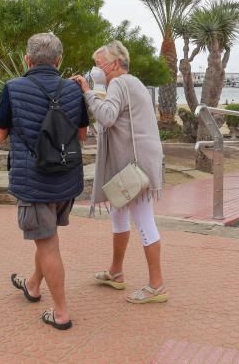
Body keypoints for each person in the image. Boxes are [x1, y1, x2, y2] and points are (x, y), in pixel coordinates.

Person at [0, 33, 88, 331]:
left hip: (33, 182)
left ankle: (61, 313)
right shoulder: (74, 91)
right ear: (59, 60)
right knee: (46, 237)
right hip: (67, 179)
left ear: (27, 59)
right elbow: (82, 135)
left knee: (47, 244)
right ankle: (33, 285)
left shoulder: (13, 88)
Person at [71, 41, 167, 304]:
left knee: (144, 221)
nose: (95, 67)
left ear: (114, 64)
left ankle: (156, 285)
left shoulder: (119, 83)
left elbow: (107, 116)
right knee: (119, 214)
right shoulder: (132, 83)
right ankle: (116, 272)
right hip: (134, 163)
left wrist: (88, 91)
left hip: (135, 166)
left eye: (99, 63)